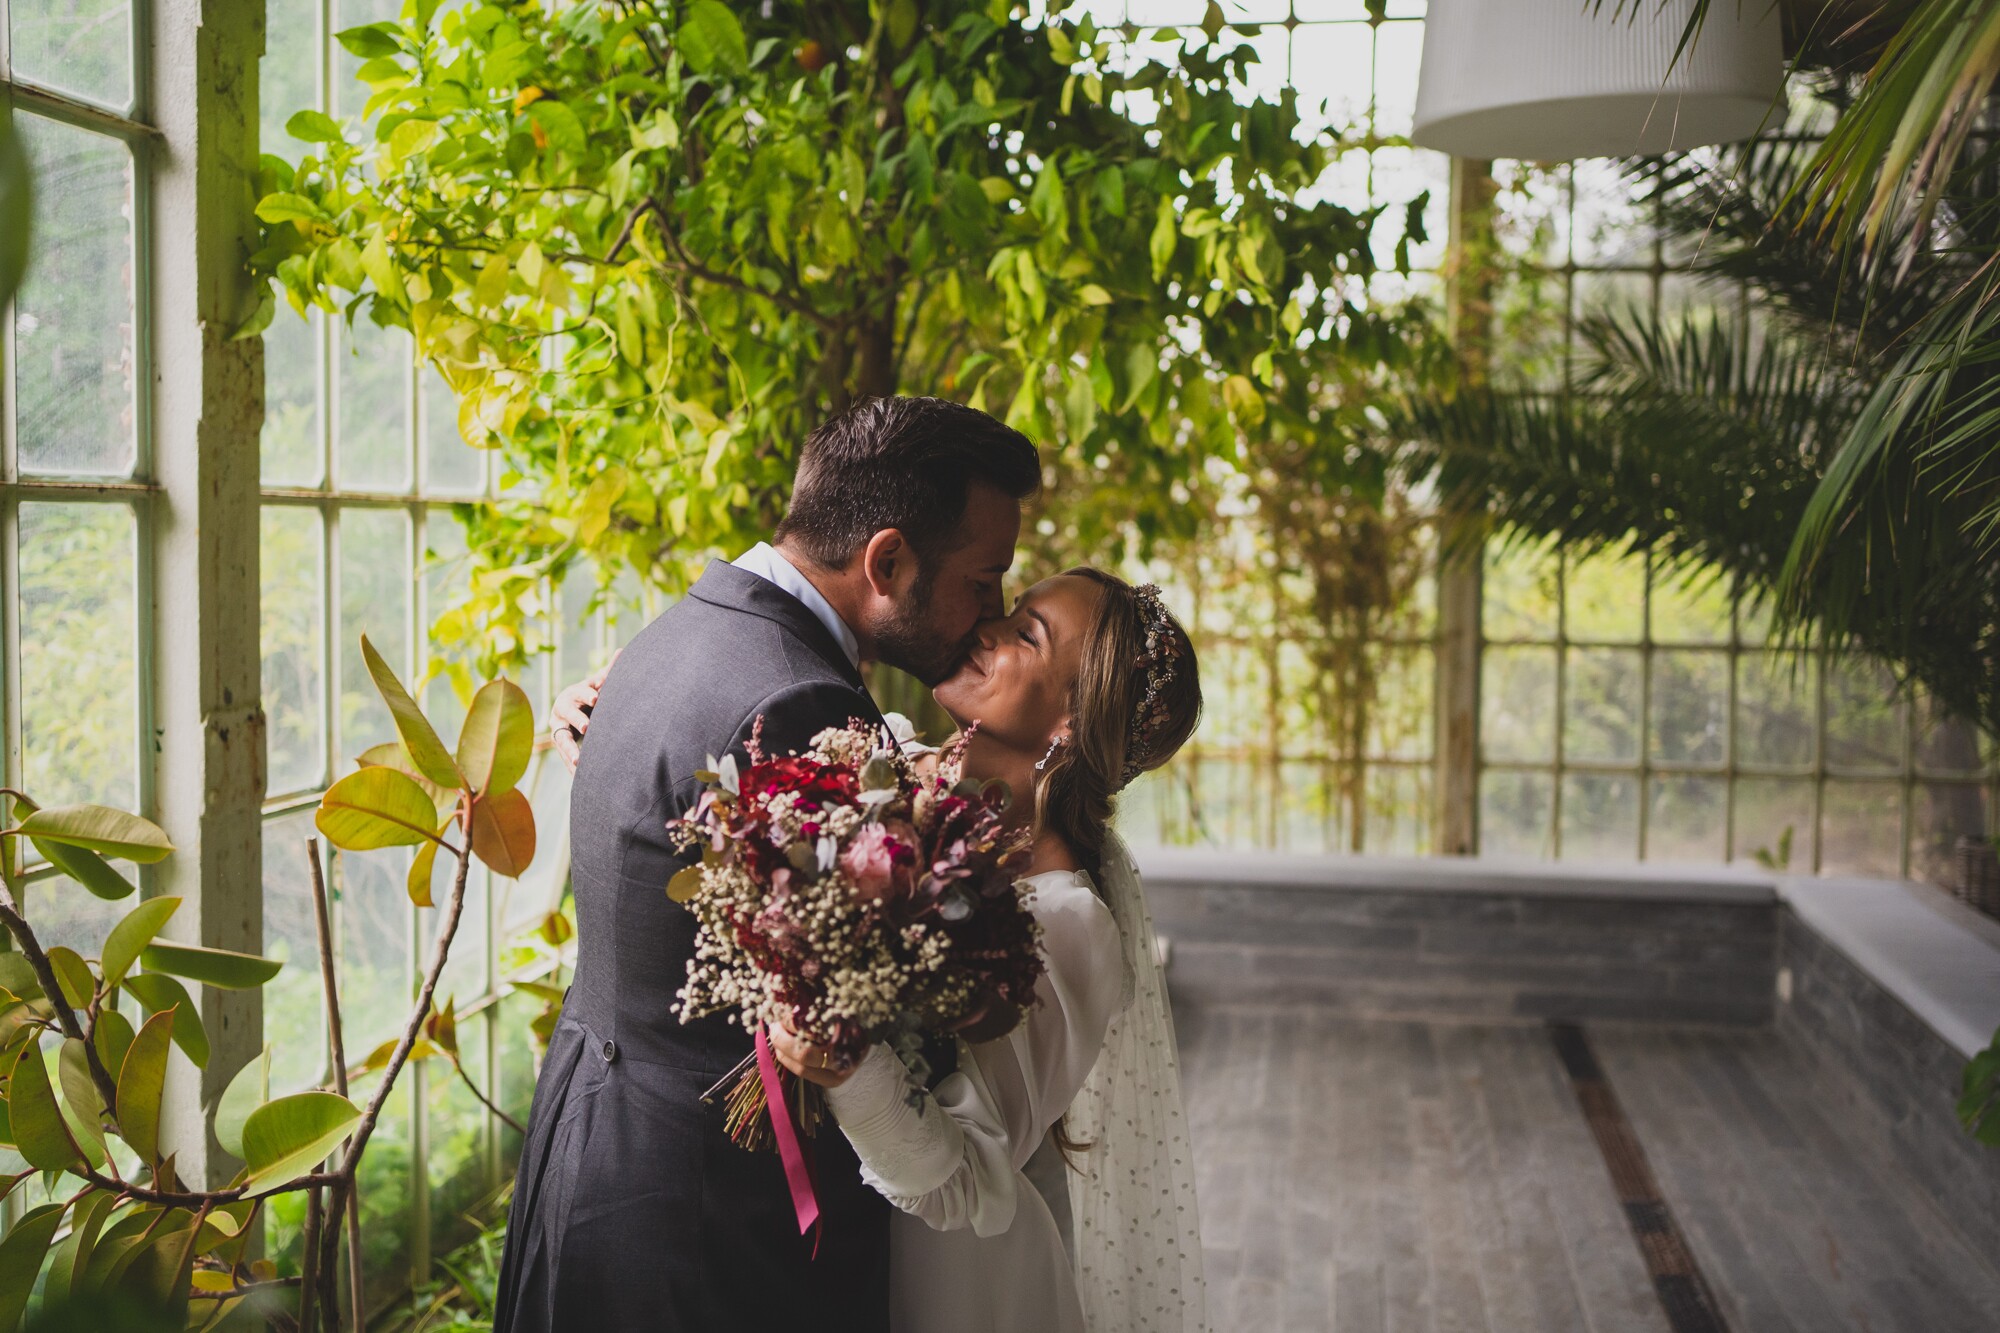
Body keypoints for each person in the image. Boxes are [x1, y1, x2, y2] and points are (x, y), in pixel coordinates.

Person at [491, 395, 1040, 1333]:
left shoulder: (681, 630)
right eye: (984, 579)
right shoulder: (795, 704)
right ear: (887, 563)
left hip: (595, 1142)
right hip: (705, 1229)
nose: (989, 612)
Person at [549, 568, 1210, 1333]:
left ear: (1071, 720)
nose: (986, 626)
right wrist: (612, 712)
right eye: (1011, 607)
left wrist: (848, 1065)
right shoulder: (874, 755)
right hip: (780, 1242)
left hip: (940, 1292)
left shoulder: (1068, 922)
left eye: (1025, 634)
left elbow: (966, 1180)